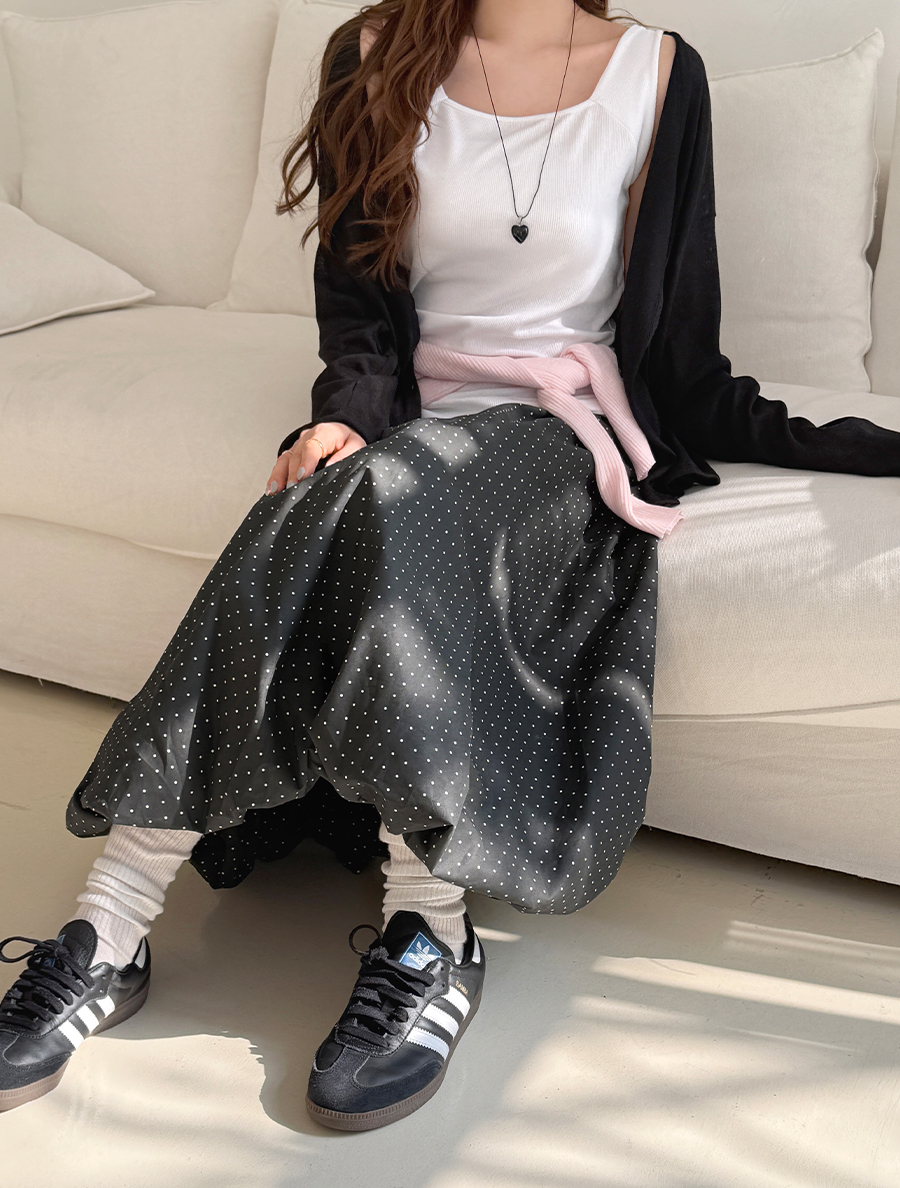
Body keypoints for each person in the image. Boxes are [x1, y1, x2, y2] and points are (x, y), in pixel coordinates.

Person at [2, 0, 899, 1131]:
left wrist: (857, 443)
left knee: (390, 502)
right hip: (408, 418)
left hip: (556, 432)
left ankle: (420, 926)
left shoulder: (659, 73)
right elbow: (358, 306)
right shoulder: (374, 53)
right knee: (323, 499)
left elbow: (681, 344)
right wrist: (341, 416)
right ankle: (112, 931)